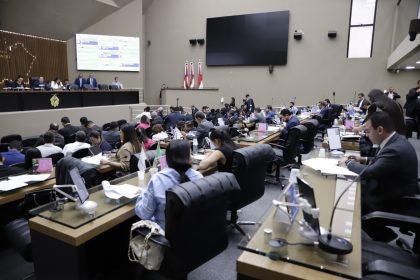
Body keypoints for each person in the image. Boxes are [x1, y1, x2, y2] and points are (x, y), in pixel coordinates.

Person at [344, 111, 418, 215]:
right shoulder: (396, 139)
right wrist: (362, 159)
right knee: (351, 187)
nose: (366, 134)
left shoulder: (394, 150)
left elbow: (369, 172)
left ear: (379, 130)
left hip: (392, 199)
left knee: (348, 199)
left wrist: (348, 162)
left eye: (368, 131)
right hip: (390, 187)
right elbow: (382, 160)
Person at [135, 140, 203, 229]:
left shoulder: (158, 180)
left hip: (165, 236)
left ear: (167, 158)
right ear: (187, 158)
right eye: (190, 154)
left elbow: (143, 214)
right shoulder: (199, 177)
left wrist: (143, 192)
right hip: (195, 232)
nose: (192, 156)